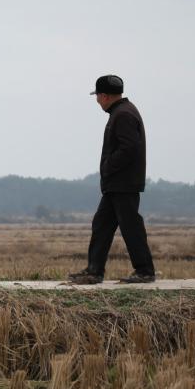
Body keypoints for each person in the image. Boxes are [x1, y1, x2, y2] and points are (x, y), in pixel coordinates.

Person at [68, 75, 156, 284]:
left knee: (130, 226)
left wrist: (108, 166)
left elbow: (130, 148)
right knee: (102, 225)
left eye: (97, 96)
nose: (97, 100)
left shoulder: (123, 115)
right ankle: (94, 271)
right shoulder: (121, 112)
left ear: (104, 96)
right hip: (117, 184)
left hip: (123, 184)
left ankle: (145, 271)